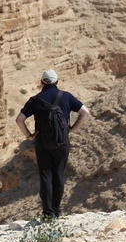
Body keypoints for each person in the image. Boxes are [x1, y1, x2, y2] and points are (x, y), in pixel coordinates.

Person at [15, 69, 90, 218]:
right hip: (62, 142)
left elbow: (19, 119)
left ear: (42, 82)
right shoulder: (66, 96)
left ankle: (48, 213)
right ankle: (57, 210)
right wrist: (72, 129)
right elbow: (85, 112)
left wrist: (29, 135)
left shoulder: (35, 99)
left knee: (45, 175)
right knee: (59, 175)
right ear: (57, 81)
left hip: (42, 143)